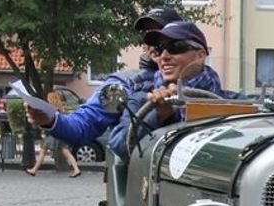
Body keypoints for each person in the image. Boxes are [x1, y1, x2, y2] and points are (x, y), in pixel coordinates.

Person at [29, 20, 223, 160]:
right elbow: (85, 124)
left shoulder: (216, 92)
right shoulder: (127, 86)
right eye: (157, 44)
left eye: (175, 45)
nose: (162, 53)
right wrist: (51, 120)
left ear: (199, 54)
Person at [25, 91, 81, 177]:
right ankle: (76, 169)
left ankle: (34, 169)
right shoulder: (60, 109)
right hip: (61, 134)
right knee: (66, 152)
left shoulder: (51, 110)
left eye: (48, 98)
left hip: (53, 134)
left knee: (43, 151)